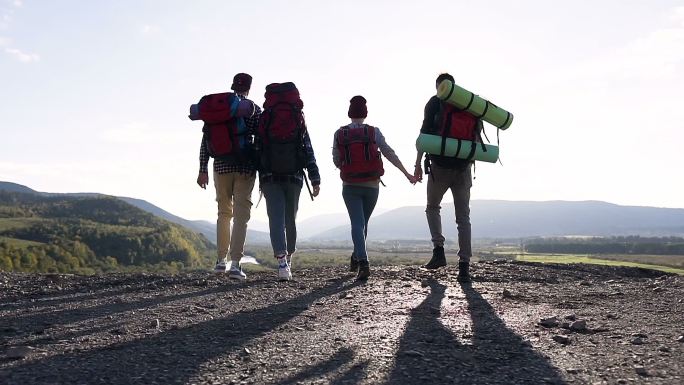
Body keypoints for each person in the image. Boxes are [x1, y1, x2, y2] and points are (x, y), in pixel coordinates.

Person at [333, 96, 416, 280]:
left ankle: (360, 259)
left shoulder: (340, 134)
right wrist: (407, 173)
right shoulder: (373, 132)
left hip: (350, 186)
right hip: (371, 185)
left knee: (357, 223)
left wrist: (349, 169)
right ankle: (359, 260)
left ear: (349, 113)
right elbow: (388, 152)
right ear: (365, 113)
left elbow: (336, 160)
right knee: (363, 223)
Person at [414, 73, 483, 282]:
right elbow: (477, 133)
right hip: (463, 167)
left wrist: (417, 163)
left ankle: (439, 251)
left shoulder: (435, 102)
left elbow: (424, 135)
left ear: (439, 87)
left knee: (432, 207)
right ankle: (464, 267)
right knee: (463, 218)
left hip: (440, 166)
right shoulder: (469, 104)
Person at [197, 72, 261, 280]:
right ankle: (235, 264)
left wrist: (202, 169)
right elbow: (259, 141)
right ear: (249, 88)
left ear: (233, 86)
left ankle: (220, 261)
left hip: (220, 166)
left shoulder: (217, 108)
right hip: (244, 168)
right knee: (242, 216)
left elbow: (206, 141)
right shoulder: (252, 109)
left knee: (223, 213)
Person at [256, 82, 320, 281]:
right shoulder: (298, 117)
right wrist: (315, 177)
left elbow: (257, 148)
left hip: (269, 176)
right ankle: (289, 257)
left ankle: (282, 263)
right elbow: (307, 148)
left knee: (275, 218)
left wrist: (255, 173)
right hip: (294, 176)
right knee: (290, 218)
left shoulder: (264, 118)